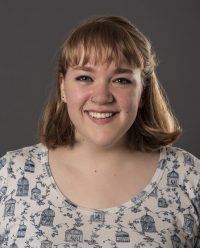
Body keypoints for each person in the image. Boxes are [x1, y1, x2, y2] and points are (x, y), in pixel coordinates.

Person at [0, 15, 199, 248]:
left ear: (143, 92)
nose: (102, 96)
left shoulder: (190, 179)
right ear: (63, 87)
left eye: (121, 80)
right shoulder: (10, 176)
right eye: (85, 77)